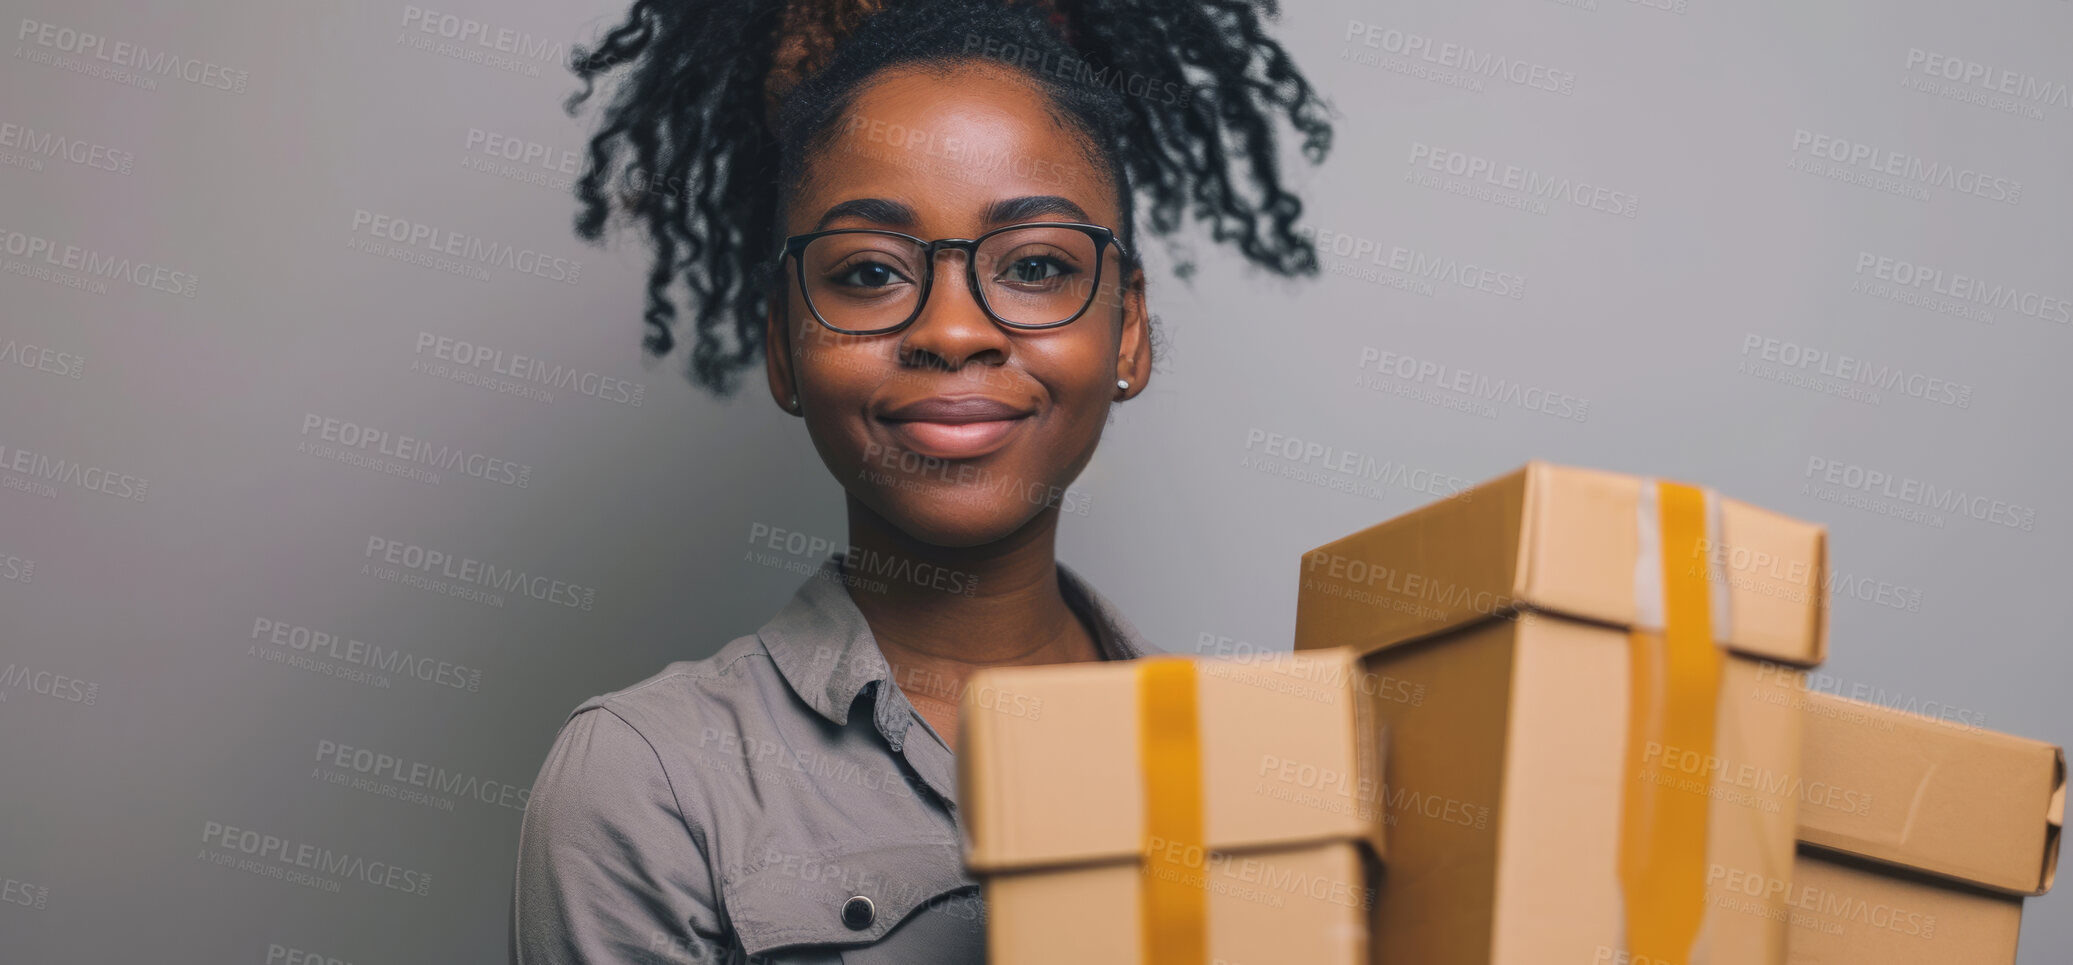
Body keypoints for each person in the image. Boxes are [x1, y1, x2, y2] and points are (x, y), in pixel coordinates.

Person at [512, 0, 1332, 961]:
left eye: (1033, 264)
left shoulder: (1261, 764)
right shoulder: (647, 779)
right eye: (868, 272)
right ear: (782, 342)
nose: (952, 330)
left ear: (1129, 330)